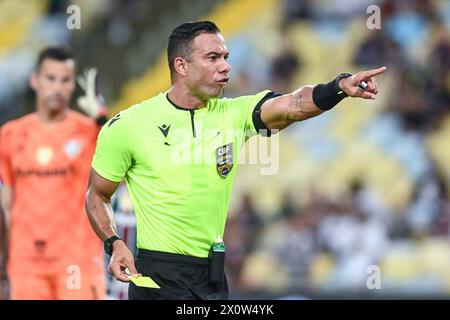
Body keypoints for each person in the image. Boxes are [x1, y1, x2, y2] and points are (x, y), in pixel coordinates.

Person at [85, 20, 386, 300]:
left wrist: (337, 87)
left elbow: (294, 104)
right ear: (182, 66)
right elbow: (98, 194)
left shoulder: (234, 114)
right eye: (213, 58)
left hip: (213, 277)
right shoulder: (129, 125)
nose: (226, 66)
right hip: (157, 276)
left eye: (226, 57)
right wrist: (114, 243)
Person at [0, 47, 107, 299]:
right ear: (34, 80)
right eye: (50, 78)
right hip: (27, 265)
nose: (57, 87)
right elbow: (6, 202)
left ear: (73, 85)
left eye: (65, 79)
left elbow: (123, 164)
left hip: (77, 261)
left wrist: (101, 117)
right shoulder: (10, 135)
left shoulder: (90, 132)